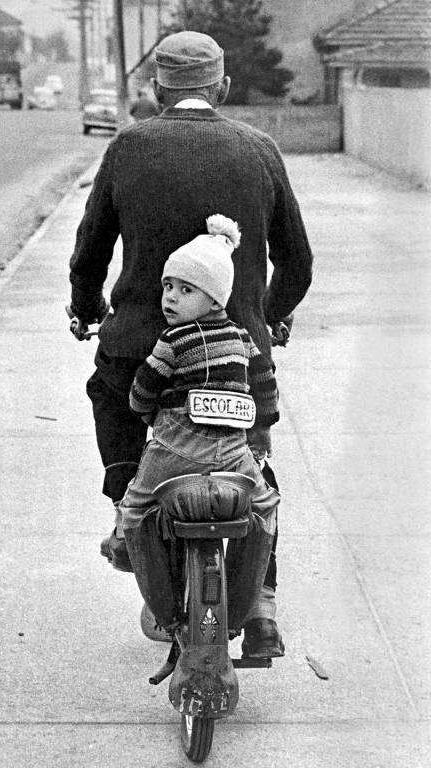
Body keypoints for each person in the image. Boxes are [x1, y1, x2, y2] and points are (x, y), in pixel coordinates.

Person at [69, 30, 313, 657]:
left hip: (138, 348)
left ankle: (128, 508)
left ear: (156, 89)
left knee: (112, 396)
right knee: (253, 461)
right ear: (222, 88)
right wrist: (267, 317)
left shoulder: (128, 147)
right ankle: (261, 605)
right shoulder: (258, 149)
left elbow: (90, 251)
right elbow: (298, 262)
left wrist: (87, 308)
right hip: (233, 361)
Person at [118, 214, 282, 649]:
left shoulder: (171, 342)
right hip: (232, 457)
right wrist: (262, 425)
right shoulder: (244, 339)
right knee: (264, 509)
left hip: (173, 452)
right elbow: (265, 386)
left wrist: (146, 414)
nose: (170, 297)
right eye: (168, 286)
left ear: (214, 300)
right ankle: (246, 607)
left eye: (185, 289)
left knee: (134, 512)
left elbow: (142, 392)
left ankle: (163, 609)